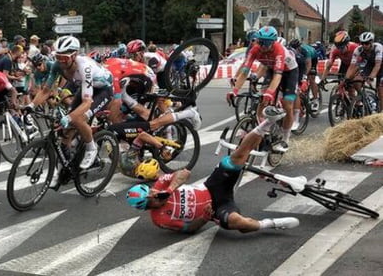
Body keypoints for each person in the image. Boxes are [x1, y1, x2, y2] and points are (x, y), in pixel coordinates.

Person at [126, 106, 299, 234]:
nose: (155, 198)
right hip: (216, 208)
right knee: (238, 223)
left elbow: (185, 173)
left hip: (212, 186)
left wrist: (170, 190)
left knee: (236, 157)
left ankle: (268, 122)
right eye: (152, 202)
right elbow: (187, 228)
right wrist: (204, 218)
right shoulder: (159, 219)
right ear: (148, 208)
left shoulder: (162, 184)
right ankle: (272, 224)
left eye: (151, 193)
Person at [27, 36, 113, 172]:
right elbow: (45, 91)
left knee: (77, 119)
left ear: (74, 56)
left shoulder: (85, 67)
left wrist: (69, 117)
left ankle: (91, 148)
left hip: (102, 90)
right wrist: (30, 106)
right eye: (58, 57)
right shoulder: (57, 66)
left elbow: (87, 102)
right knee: (65, 132)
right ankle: (64, 169)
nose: (60, 61)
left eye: (64, 58)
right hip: (83, 88)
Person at [228, 26, 298, 152]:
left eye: (267, 43)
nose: (264, 46)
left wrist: (270, 93)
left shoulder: (278, 50)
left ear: (274, 42)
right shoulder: (255, 49)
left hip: (289, 72)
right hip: (271, 69)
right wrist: (234, 91)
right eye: (261, 42)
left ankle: (285, 138)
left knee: (287, 104)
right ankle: (264, 129)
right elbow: (245, 70)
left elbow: (278, 75)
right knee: (262, 100)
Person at [347, 31, 383, 112]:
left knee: (380, 89)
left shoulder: (378, 48)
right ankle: (362, 98)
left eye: (366, 43)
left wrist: (371, 77)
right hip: (370, 64)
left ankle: (381, 113)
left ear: (371, 42)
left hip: (381, 65)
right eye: (362, 43)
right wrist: (347, 78)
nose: (364, 45)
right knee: (356, 80)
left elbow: (377, 65)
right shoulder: (358, 49)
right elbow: (352, 66)